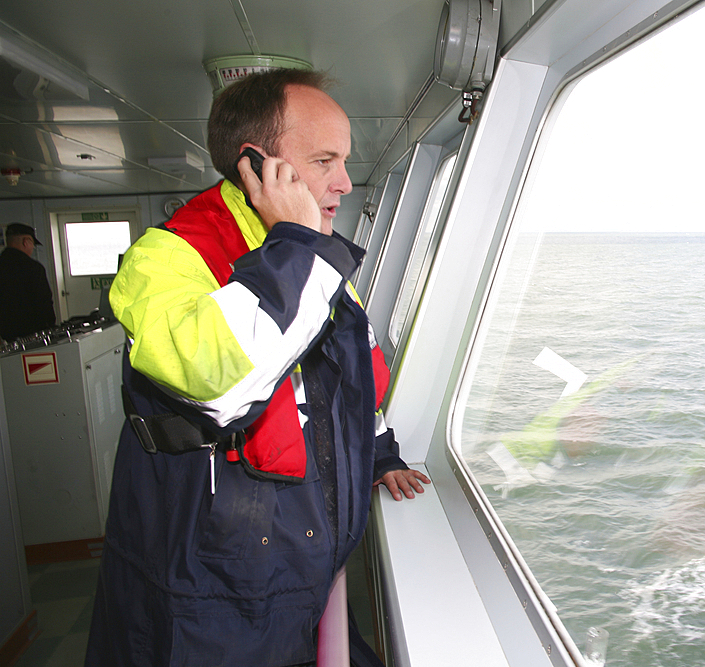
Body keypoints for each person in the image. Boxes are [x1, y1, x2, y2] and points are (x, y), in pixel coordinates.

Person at [85, 69, 430, 667]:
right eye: (325, 161)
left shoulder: (306, 257)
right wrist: (295, 244)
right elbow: (220, 384)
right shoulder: (165, 259)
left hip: (301, 568)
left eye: (344, 161)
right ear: (256, 167)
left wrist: (380, 456)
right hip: (212, 592)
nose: (345, 183)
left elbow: (340, 382)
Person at [0, 223, 56, 341]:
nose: (32, 249)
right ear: (26, 242)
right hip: (31, 335)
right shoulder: (33, 268)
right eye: (32, 245)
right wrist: (50, 329)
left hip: (4, 336)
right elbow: (43, 302)